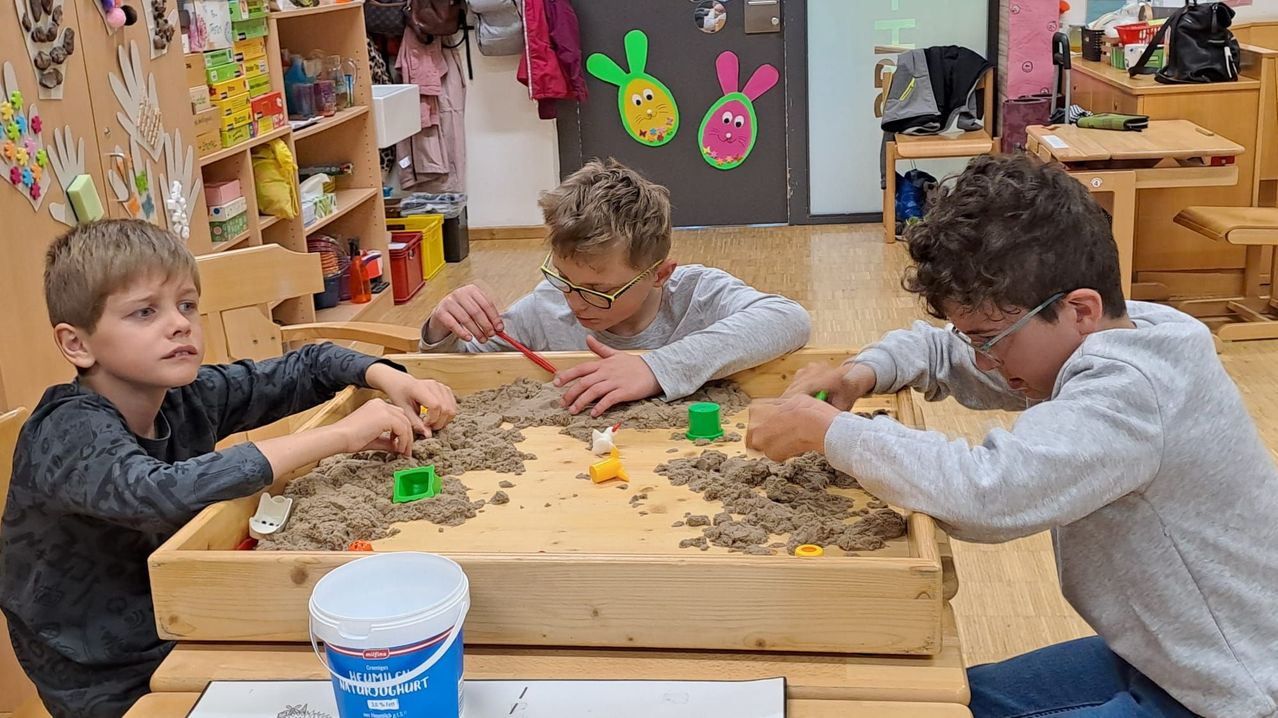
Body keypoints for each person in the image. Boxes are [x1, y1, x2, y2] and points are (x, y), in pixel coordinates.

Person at [747, 155, 1278, 718]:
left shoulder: (1132, 390)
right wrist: (860, 373)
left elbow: (987, 493)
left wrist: (830, 431)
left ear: (1080, 310)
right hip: (1165, 653)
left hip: (1233, 691)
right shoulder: (1120, 327)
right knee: (952, 699)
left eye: (991, 339)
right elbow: (940, 348)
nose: (984, 360)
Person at [0, 220, 458, 718]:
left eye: (187, 305)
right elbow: (159, 493)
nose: (179, 324)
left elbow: (305, 366)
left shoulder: (182, 395)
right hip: (104, 673)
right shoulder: (67, 428)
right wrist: (339, 436)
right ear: (77, 344)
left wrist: (383, 373)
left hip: (190, 611)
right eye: (144, 312)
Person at [419, 159, 810, 417]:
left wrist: (655, 367)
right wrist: (441, 327)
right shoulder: (548, 305)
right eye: (564, 279)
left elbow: (788, 319)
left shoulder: (697, 295)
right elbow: (456, 372)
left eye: (597, 289)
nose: (575, 301)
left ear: (659, 274)